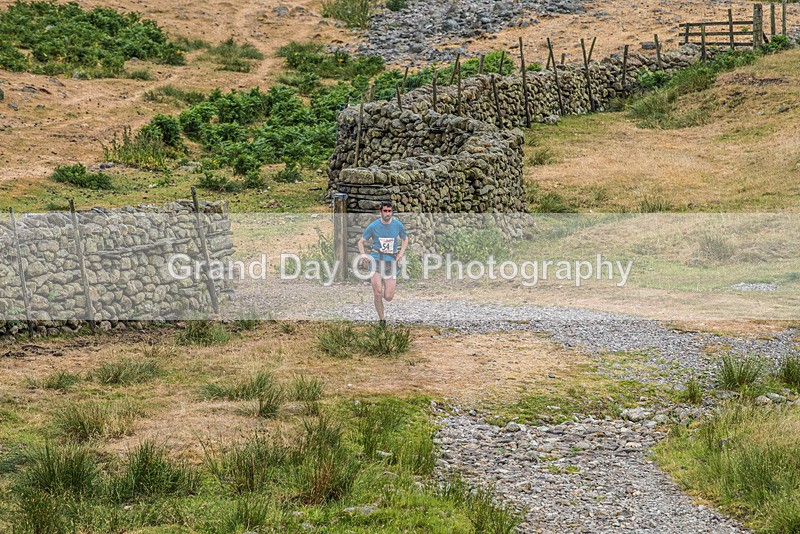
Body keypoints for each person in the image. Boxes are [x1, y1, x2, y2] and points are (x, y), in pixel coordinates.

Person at [357, 201, 408, 323]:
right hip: (376, 260)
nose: (387, 214)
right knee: (378, 292)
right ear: (380, 212)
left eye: (389, 211)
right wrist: (364, 255)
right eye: (385, 211)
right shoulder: (373, 226)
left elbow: (405, 239)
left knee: (389, 296)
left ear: (392, 212)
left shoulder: (398, 225)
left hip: (390, 261)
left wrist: (401, 254)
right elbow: (361, 242)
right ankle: (382, 319)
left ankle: (386, 287)